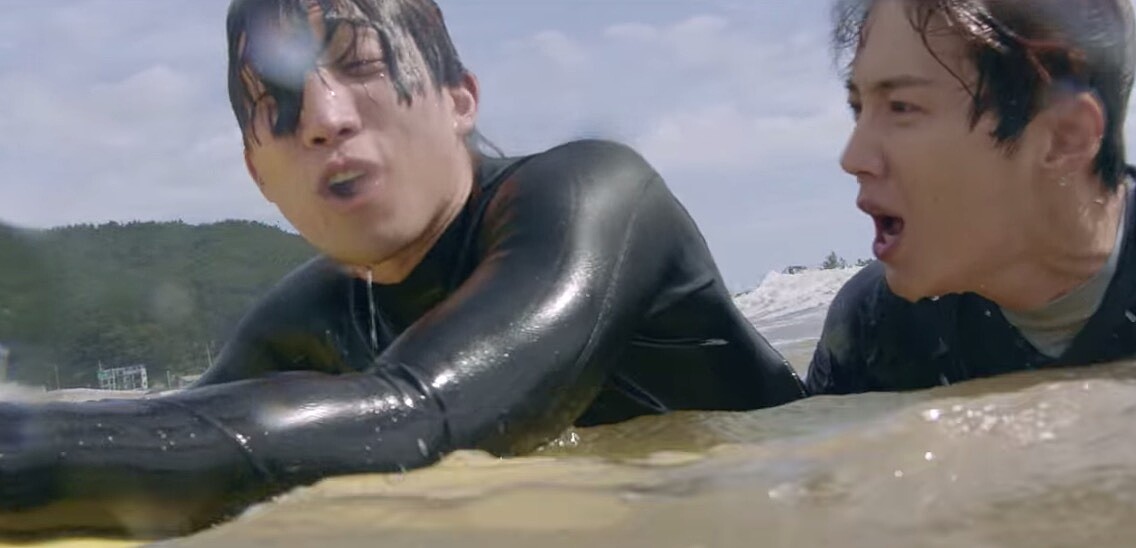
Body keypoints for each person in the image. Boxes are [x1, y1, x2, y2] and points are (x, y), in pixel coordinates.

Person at [0, 0, 805, 536]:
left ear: (460, 99)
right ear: (256, 171)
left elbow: (422, 418)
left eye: (359, 66)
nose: (324, 118)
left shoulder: (594, 196)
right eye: (276, 103)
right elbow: (169, 450)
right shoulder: (304, 322)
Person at [806, 0, 1136, 395]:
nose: (853, 159)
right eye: (858, 108)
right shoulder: (876, 327)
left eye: (901, 107)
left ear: (1064, 138)